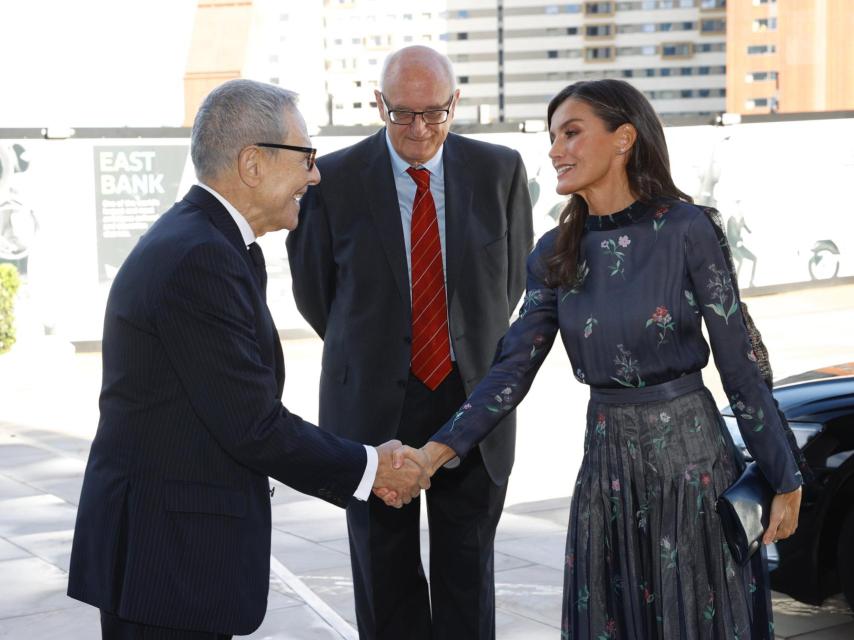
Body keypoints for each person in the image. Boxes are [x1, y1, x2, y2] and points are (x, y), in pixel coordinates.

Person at [396, 79, 805, 639]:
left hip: (693, 470)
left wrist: (785, 477)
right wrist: (433, 453)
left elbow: (740, 363)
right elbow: (510, 370)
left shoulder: (688, 229)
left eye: (571, 133)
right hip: (607, 473)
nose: (555, 150)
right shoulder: (553, 253)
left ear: (623, 138)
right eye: (552, 136)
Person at [67, 79, 429, 640]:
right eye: (306, 155)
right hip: (166, 563)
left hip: (168, 554)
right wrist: (371, 467)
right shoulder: (200, 258)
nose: (315, 173)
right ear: (253, 163)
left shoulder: (207, 242)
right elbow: (253, 424)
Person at [286, 46, 533, 639]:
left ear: (454, 103)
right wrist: (377, 353)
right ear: (378, 105)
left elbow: (514, 282)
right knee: (383, 577)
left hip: (471, 401)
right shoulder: (332, 179)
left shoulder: (500, 171)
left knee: (468, 577)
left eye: (435, 113)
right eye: (402, 114)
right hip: (372, 408)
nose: (420, 129)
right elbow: (316, 295)